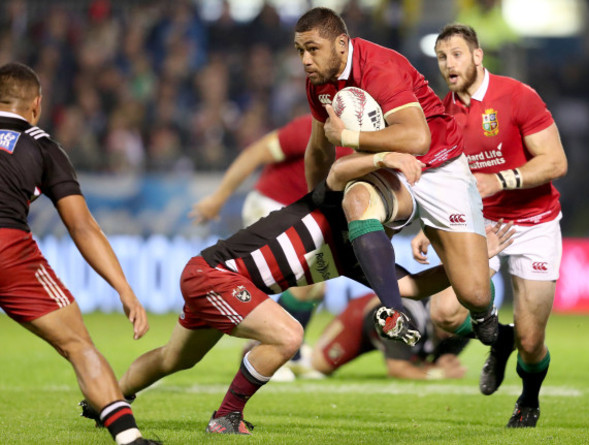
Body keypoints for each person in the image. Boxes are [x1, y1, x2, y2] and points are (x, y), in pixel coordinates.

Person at [79, 151, 513, 435]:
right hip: (217, 275)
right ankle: (226, 417)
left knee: (177, 358)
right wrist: (387, 156)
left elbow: (405, 287)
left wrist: (467, 266)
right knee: (287, 335)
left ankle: (106, 400)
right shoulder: (335, 200)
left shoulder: (359, 253)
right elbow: (340, 170)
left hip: (215, 276)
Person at [293, 7, 498, 347]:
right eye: (300, 50)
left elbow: (418, 138)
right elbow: (318, 150)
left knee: (473, 293)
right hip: (388, 170)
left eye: (313, 48)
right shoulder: (319, 84)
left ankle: (483, 311)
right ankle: (393, 311)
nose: (305, 59)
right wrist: (319, 208)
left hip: (440, 168)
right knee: (354, 203)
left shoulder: (378, 67)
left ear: (341, 44)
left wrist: (349, 139)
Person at [0, 62, 159, 445]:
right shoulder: (41, 144)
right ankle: (128, 438)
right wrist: (124, 288)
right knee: (78, 345)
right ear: (36, 105)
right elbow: (82, 226)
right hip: (8, 250)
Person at [420, 24, 568, 427]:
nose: (449, 65)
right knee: (444, 313)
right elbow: (442, 179)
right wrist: (425, 227)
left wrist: (501, 179)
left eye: (456, 54)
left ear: (478, 55)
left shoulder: (518, 95)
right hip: (481, 222)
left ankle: (528, 400)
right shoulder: (441, 114)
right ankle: (499, 338)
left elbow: (556, 162)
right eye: (441, 57)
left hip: (534, 223)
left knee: (532, 342)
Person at [189, 113, 353, 380]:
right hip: (269, 204)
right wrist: (219, 197)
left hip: (301, 214)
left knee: (318, 286)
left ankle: (294, 352)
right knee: (308, 279)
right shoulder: (314, 127)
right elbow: (255, 153)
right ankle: (259, 349)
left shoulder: (366, 143)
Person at [312, 292, 469, 380]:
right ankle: (303, 351)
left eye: (459, 318)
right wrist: (439, 374)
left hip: (406, 335)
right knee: (318, 366)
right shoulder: (402, 318)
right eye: (450, 315)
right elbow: (397, 369)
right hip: (360, 320)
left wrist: (442, 365)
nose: (453, 325)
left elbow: (440, 362)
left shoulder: (463, 329)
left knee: (414, 363)